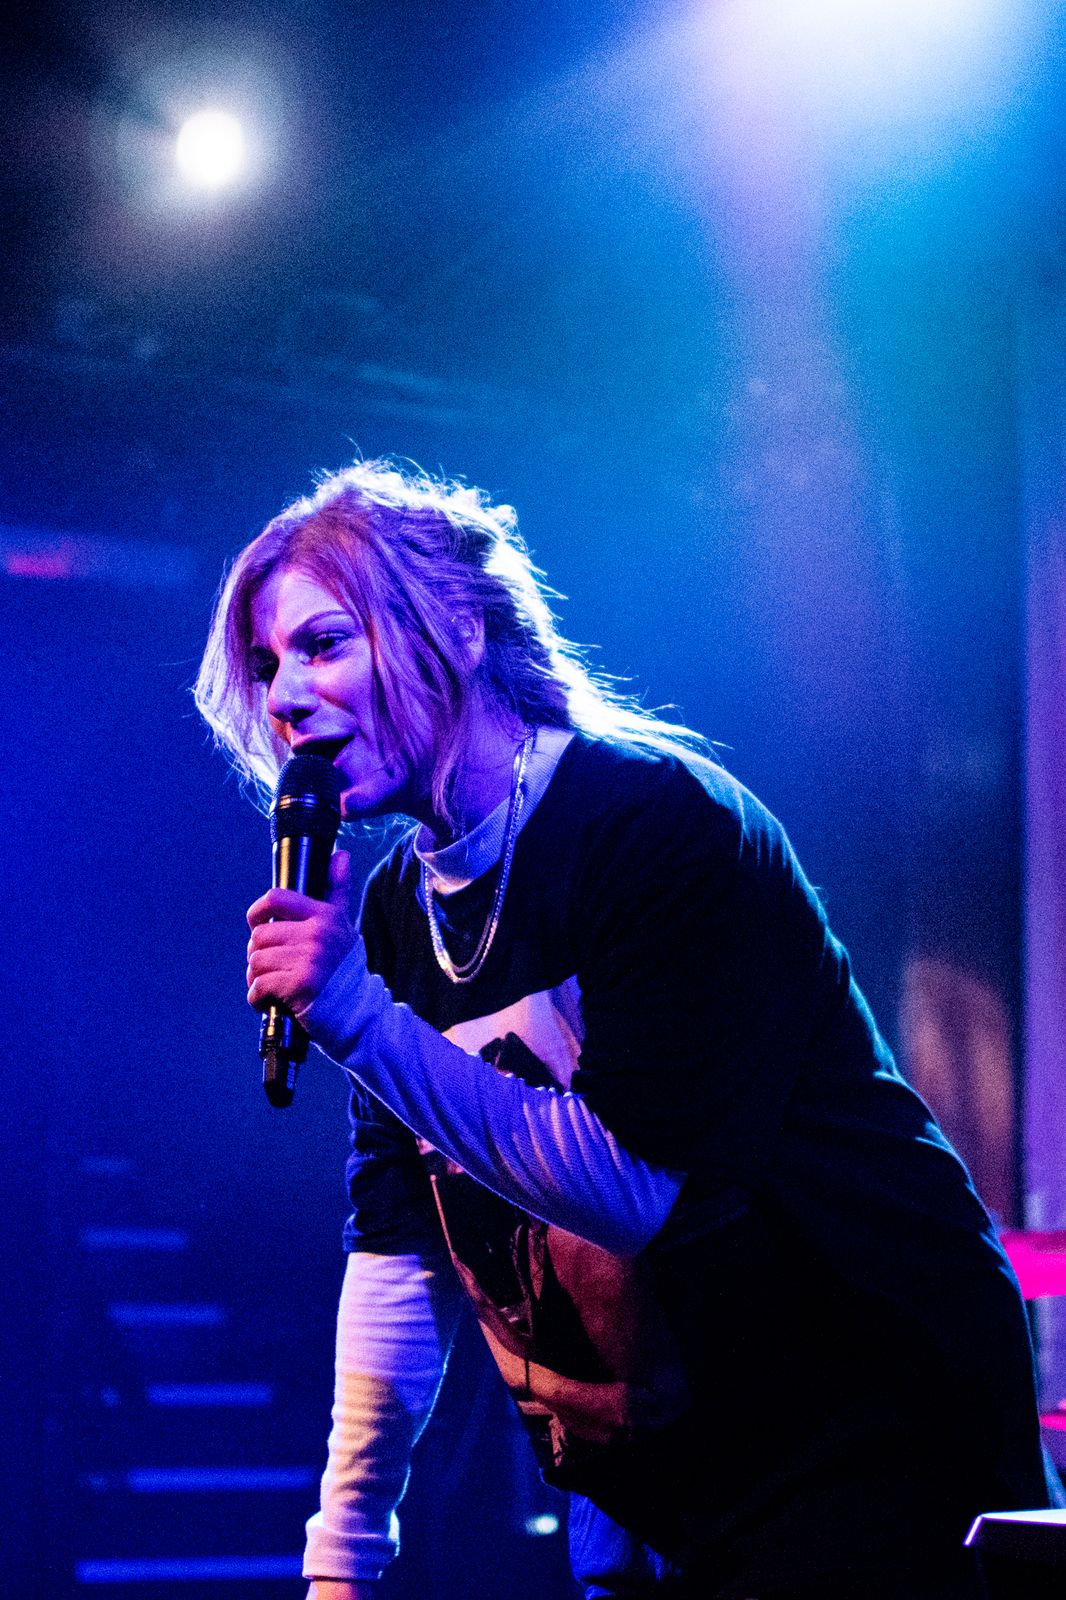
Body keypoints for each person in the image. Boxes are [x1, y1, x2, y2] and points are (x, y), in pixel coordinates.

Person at [194, 457, 1060, 1600]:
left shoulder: (652, 823)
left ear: (456, 627)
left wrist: (354, 1014)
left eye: (322, 643)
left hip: (869, 1429)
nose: (284, 697)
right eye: (266, 666)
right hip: (666, 1471)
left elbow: (632, 1188)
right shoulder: (399, 909)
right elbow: (404, 1244)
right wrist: (341, 1559)